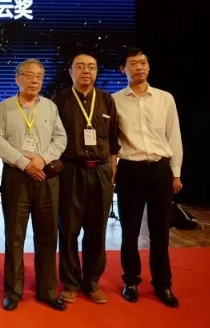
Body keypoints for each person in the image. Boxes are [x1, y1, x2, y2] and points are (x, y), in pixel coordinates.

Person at [0, 58, 67, 311]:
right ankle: (13, 291)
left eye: (39, 76)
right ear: (18, 79)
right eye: (30, 75)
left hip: (46, 176)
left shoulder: (49, 106)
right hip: (17, 177)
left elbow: (61, 138)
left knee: (47, 235)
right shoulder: (4, 107)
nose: (35, 80)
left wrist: (42, 160)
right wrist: (25, 163)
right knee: (14, 236)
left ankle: (47, 290)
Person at [113, 47, 183, 308]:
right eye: (133, 63)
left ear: (149, 67)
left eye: (143, 62)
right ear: (123, 69)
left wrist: (176, 172)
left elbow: (174, 136)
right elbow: (112, 141)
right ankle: (131, 281)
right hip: (129, 170)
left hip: (159, 170)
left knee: (160, 231)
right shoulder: (114, 100)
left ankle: (163, 284)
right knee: (129, 232)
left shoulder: (165, 98)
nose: (139, 67)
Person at [52, 53, 119, 305]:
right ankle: (70, 282)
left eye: (91, 67)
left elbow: (113, 139)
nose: (86, 71)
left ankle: (92, 281)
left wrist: (112, 169)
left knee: (96, 230)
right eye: (80, 67)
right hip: (71, 170)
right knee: (69, 229)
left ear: (96, 71)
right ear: (71, 71)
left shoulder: (106, 100)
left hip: (101, 170)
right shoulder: (59, 100)